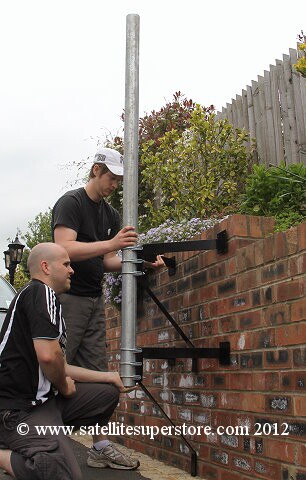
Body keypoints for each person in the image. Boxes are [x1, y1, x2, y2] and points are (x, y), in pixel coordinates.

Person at [0, 243, 139, 479]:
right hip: (17, 410)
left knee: (106, 393)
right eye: (66, 264)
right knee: (60, 472)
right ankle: (20, 446)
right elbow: (48, 357)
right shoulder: (39, 292)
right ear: (45, 267)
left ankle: (45, 437)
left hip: (45, 402)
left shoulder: (46, 299)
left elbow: (58, 363)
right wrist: (64, 385)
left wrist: (108, 376)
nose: (72, 270)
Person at [51, 146, 163, 371]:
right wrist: (111, 244)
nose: (114, 185)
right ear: (96, 170)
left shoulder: (111, 215)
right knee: (59, 366)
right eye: (111, 178)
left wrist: (141, 262)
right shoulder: (71, 202)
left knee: (95, 369)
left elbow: (107, 261)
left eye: (118, 181)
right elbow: (62, 249)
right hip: (69, 298)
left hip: (94, 299)